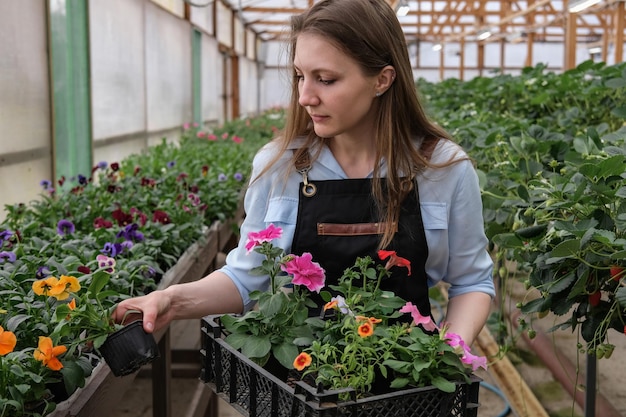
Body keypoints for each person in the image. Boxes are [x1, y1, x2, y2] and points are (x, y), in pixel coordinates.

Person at [113, 0, 495, 347]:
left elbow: (471, 282)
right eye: (300, 75)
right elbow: (248, 277)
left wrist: (446, 355)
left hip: (403, 378)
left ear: (382, 79)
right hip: (300, 376)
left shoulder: (442, 168)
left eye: (326, 79)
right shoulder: (279, 165)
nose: (305, 96)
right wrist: (173, 299)